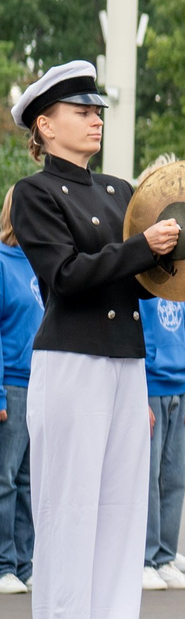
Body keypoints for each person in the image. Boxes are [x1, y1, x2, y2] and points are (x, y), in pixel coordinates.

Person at [8, 60, 183, 619]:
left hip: (123, 360)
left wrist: (173, 246)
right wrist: (142, 246)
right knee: (69, 517)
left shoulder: (118, 190)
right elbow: (68, 276)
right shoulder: (34, 194)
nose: (94, 118)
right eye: (80, 110)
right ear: (45, 124)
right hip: (72, 360)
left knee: (117, 520)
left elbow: (142, 272)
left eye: (97, 109)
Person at [139, 293, 185, 590]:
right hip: (151, 390)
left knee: (175, 479)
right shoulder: (140, 281)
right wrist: (138, 392)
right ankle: (145, 560)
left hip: (180, 390)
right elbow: (133, 338)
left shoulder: (182, 286)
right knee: (148, 481)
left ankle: (165, 558)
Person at [0, 196, 43, 595]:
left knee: (30, 481)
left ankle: (25, 563)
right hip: (11, 385)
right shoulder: (1, 262)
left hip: (40, 385)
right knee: (5, 479)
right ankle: (3, 564)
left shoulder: (40, 266)